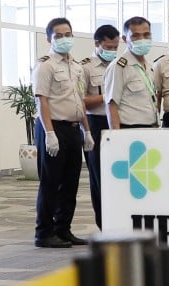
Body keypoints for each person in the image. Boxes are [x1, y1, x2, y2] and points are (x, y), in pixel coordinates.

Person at [32, 17, 94, 248]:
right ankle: (44, 232)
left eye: (67, 34)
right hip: (53, 127)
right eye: (59, 35)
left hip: (72, 128)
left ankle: (63, 229)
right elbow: (42, 100)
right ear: (49, 38)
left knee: (71, 182)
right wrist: (49, 132)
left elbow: (79, 101)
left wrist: (86, 130)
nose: (64, 39)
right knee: (51, 183)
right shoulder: (45, 65)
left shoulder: (76, 66)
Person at [80, 24, 119, 229]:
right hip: (95, 122)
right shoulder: (85, 67)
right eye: (109, 47)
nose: (113, 51)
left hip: (118, 122)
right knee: (99, 177)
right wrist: (107, 96)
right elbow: (80, 101)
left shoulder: (120, 65)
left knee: (119, 176)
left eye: (115, 47)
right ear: (97, 44)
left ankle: (120, 220)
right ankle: (104, 223)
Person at [105, 16, 159, 129]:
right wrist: (116, 136)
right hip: (129, 129)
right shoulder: (118, 67)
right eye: (136, 35)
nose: (142, 39)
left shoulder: (148, 66)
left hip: (151, 127)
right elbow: (112, 105)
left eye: (146, 35)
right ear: (125, 39)